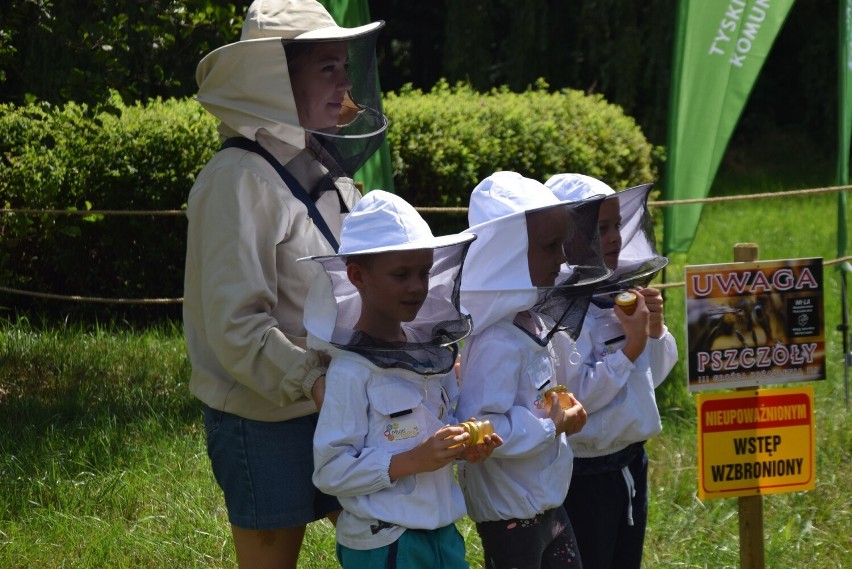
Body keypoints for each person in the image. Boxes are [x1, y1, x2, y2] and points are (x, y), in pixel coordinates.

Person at [182, 1, 387, 567]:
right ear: (278, 80)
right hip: (266, 419)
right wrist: (312, 381)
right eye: (327, 67)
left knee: (383, 541)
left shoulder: (324, 168)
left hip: (338, 402)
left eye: (347, 66)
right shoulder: (236, 179)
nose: (346, 83)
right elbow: (237, 324)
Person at [303, 190, 502, 568]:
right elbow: (330, 471)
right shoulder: (350, 370)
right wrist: (409, 461)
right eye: (401, 274)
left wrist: (464, 445)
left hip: (442, 533)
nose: (417, 286)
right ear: (357, 276)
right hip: (385, 543)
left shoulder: (428, 355)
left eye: (424, 272)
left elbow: (432, 431)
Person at [455, 171, 608, 569]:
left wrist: (558, 408)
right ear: (508, 253)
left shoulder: (528, 322)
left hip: (545, 503)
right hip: (511, 517)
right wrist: (551, 424)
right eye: (550, 246)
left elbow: (530, 400)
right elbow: (482, 429)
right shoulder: (494, 342)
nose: (561, 257)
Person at [545, 173, 679, 569]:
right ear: (567, 238)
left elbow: (653, 375)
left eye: (617, 224)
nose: (614, 237)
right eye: (600, 228)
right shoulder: (558, 312)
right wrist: (631, 346)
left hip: (631, 463)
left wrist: (652, 331)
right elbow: (575, 398)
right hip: (583, 476)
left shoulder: (621, 292)